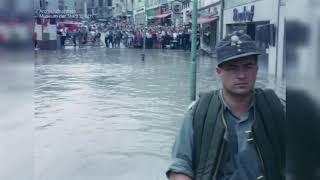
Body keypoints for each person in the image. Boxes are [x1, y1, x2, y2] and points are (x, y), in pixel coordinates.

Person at [166, 30, 285, 180]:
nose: (241, 75)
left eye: (248, 66)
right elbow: (181, 166)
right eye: (232, 68)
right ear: (219, 71)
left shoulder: (277, 108)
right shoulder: (198, 112)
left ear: (257, 68)